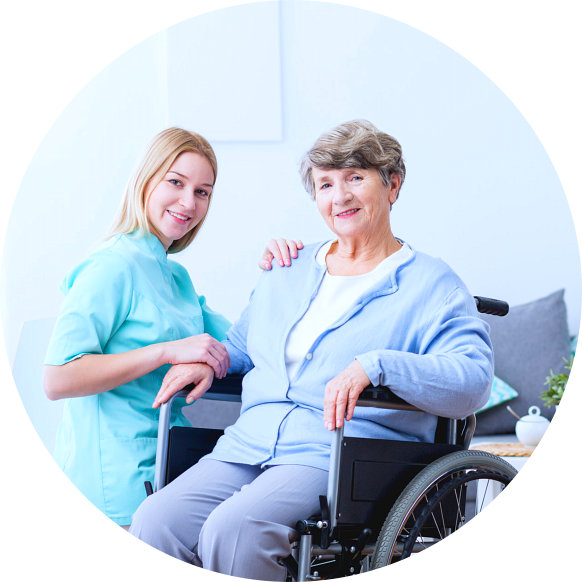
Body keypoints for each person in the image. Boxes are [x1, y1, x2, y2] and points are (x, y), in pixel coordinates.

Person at [130, 120, 494, 579]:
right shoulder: (290, 266)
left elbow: (473, 379)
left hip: (336, 454)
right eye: (326, 183)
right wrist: (207, 361)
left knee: (235, 529)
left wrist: (377, 366)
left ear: (393, 185)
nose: (339, 196)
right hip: (249, 443)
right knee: (155, 522)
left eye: (355, 178)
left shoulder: (432, 284)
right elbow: (244, 346)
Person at [43, 127, 301, 527]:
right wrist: (165, 352)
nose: (189, 202)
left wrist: (279, 271)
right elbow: (57, 379)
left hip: (169, 471)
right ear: (146, 180)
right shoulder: (112, 265)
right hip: (111, 484)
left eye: (203, 192)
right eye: (176, 183)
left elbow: (247, 343)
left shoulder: (175, 278)